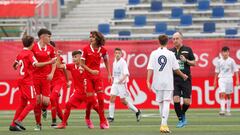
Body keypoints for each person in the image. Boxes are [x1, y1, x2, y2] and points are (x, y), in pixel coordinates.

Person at [10, 36, 56, 131]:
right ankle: (19, 120)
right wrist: (49, 62)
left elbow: (14, 65)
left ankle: (13, 125)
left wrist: (17, 66)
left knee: (22, 104)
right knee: (34, 102)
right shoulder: (29, 53)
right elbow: (36, 64)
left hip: (20, 80)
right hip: (27, 81)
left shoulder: (20, 53)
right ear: (31, 44)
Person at [147, 34, 188, 133]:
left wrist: (148, 80)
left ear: (158, 41)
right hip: (167, 81)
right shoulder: (171, 54)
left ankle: (163, 124)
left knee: (160, 103)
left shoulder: (153, 53)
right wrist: (183, 75)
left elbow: (150, 68)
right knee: (166, 102)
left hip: (157, 81)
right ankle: (164, 124)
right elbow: (176, 69)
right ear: (167, 42)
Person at [55, 50, 99, 129]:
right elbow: (58, 66)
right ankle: (63, 124)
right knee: (68, 104)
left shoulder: (86, 66)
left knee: (96, 107)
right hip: (78, 93)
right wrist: (58, 55)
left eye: (75, 57)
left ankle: (102, 120)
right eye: (73, 57)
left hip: (88, 92)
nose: (74, 59)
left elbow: (93, 75)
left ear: (80, 57)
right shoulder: (71, 66)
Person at [81, 31, 112, 129]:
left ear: (97, 39)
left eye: (93, 37)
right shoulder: (85, 49)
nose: (91, 39)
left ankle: (102, 122)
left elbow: (106, 61)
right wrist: (91, 71)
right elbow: (82, 63)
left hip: (98, 77)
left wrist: (109, 74)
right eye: (90, 37)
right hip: (88, 77)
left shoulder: (103, 50)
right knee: (90, 101)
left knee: (101, 100)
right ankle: (87, 118)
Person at [107, 48, 141, 123]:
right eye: (116, 53)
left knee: (123, 101)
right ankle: (111, 117)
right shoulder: (114, 62)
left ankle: (137, 111)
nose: (117, 54)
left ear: (121, 54)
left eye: (119, 53)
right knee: (112, 98)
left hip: (122, 84)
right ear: (114, 54)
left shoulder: (123, 62)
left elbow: (126, 74)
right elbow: (114, 73)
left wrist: (121, 80)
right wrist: (113, 79)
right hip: (115, 83)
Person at [32, 28, 57, 131]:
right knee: (37, 101)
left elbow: (54, 61)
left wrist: (51, 73)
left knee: (46, 102)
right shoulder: (33, 47)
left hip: (46, 77)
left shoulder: (51, 48)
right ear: (42, 37)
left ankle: (44, 109)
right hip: (35, 77)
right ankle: (38, 124)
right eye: (48, 36)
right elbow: (32, 62)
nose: (50, 38)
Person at [170, 32, 196, 128]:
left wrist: (186, 61)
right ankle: (180, 120)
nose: (175, 40)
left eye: (177, 38)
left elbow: (194, 63)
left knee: (187, 102)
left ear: (181, 39)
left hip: (186, 78)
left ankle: (182, 114)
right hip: (175, 79)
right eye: (173, 39)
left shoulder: (188, 50)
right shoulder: (170, 52)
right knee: (176, 99)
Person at [213, 46, 239, 116]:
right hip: (221, 79)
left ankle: (228, 110)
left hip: (229, 78)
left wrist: (237, 80)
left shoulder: (232, 61)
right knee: (222, 93)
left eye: (226, 52)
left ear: (228, 52)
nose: (225, 53)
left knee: (228, 95)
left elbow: (236, 70)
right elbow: (216, 71)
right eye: (224, 52)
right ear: (222, 53)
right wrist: (215, 81)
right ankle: (222, 110)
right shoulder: (219, 61)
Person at [49, 41, 70, 127]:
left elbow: (64, 69)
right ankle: (64, 120)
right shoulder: (44, 58)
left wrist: (67, 81)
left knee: (52, 98)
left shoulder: (59, 58)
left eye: (49, 46)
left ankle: (54, 121)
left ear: (53, 48)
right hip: (50, 82)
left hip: (58, 81)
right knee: (56, 103)